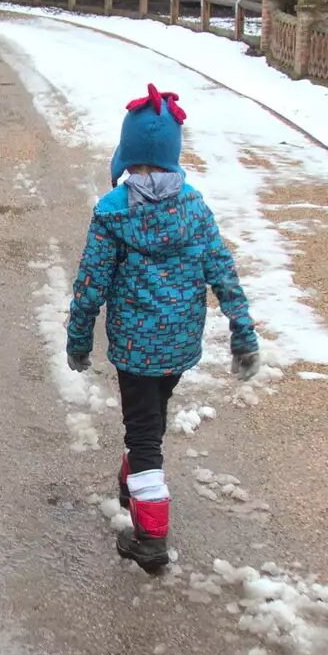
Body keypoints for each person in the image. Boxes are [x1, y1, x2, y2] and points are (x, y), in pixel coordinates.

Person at [65, 84, 260, 572]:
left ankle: (151, 537)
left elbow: (92, 284)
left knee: (144, 433)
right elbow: (223, 271)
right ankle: (135, 476)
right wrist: (243, 334)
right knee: (152, 416)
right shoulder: (194, 209)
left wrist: (80, 339)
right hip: (177, 346)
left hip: (134, 347)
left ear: (128, 157)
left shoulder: (113, 212)